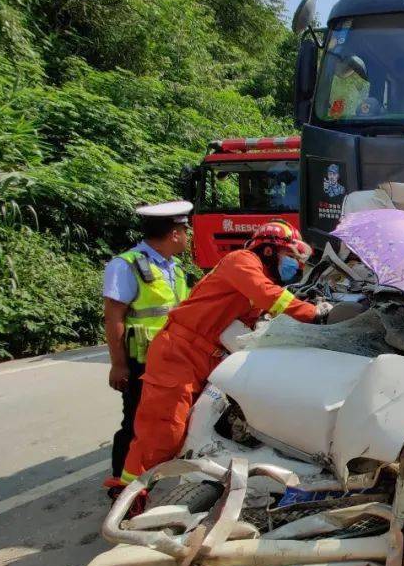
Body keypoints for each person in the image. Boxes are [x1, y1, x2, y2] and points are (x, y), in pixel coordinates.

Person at [118, 221, 345, 491]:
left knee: (195, 427)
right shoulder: (241, 261)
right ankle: (129, 494)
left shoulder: (256, 273)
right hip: (179, 353)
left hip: (206, 357)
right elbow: (268, 296)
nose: (294, 266)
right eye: (290, 257)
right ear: (270, 251)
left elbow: (260, 315)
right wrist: (315, 313)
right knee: (162, 431)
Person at [102, 201, 192, 496]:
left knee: (167, 421)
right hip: (142, 363)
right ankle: (121, 486)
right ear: (175, 233)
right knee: (134, 425)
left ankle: (152, 476)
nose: (187, 236)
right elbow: (113, 317)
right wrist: (118, 364)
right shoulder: (126, 265)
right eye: (185, 230)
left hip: (172, 361)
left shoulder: (174, 268)